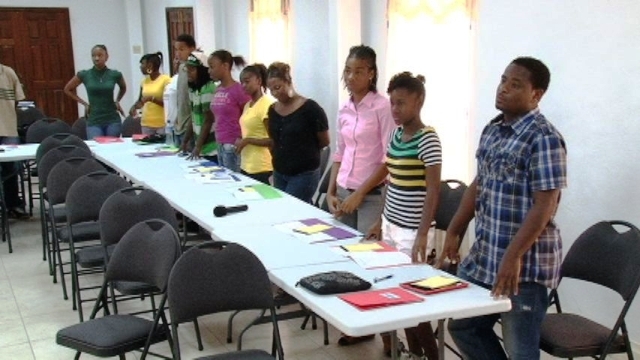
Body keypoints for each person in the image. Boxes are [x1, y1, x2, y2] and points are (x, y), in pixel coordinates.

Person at [440, 57, 567, 360]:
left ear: (536, 94)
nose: (504, 89)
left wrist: (512, 257)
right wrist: (455, 229)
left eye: (516, 84)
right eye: (503, 80)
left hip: (523, 266)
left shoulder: (544, 138)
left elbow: (546, 204)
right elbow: (479, 183)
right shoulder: (493, 129)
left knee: (520, 350)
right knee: (464, 327)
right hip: (487, 257)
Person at [326, 45, 395, 350]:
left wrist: (360, 193)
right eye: (348, 70)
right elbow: (340, 152)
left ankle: (382, 325)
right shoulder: (344, 108)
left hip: (371, 196)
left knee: (370, 261)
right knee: (346, 259)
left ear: (371, 73)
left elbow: (389, 160)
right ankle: (357, 322)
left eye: (358, 70)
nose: (351, 76)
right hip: (342, 191)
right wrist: (330, 190)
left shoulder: (382, 107)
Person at [370, 72, 442, 359]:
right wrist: (380, 221)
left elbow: (433, 191)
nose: (395, 110)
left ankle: (431, 356)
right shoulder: (397, 135)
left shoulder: (428, 139)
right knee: (399, 299)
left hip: (414, 231)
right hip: (392, 225)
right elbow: (392, 181)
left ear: (419, 100)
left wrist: (423, 234)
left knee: (415, 303)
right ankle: (413, 354)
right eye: (393, 103)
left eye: (401, 103)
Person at [266, 62, 329, 203]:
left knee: (290, 209)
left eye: (278, 87)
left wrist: (301, 151)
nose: (275, 93)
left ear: (288, 81)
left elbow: (324, 141)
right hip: (279, 171)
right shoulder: (272, 110)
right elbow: (275, 140)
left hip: (303, 172)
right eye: (271, 90)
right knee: (283, 210)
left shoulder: (310, 108)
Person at [64, 44, 126, 139]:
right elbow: (67, 89)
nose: (96, 58)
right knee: (97, 148)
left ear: (106, 57)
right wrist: (85, 104)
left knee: (112, 149)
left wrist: (117, 100)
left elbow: (123, 87)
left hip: (112, 119)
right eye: (93, 56)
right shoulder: (85, 74)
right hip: (94, 120)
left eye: (100, 55)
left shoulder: (115, 74)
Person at [208, 50, 251, 172]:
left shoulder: (239, 90)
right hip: (219, 143)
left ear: (225, 66)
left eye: (212, 67)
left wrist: (241, 137)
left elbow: (248, 115)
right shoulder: (218, 89)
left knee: (233, 180)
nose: (209, 71)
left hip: (232, 144)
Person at [236, 64, 274, 184]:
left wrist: (247, 141)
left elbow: (273, 140)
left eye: (247, 81)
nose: (244, 85)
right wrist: (241, 140)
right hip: (246, 164)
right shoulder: (248, 105)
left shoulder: (266, 104)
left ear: (258, 80)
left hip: (262, 167)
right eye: (241, 82)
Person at [0, 62, 28, 219]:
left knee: (11, 169)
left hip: (8, 128)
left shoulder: (8, 72)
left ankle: (13, 205)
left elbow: (18, 99)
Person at [182, 51, 217, 161]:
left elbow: (208, 120)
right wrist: (184, 141)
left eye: (192, 70)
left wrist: (197, 147)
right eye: (187, 69)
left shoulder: (208, 88)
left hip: (212, 148)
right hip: (201, 146)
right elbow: (192, 117)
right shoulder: (194, 90)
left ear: (202, 71)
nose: (188, 72)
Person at [129, 52, 171, 135]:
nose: (140, 67)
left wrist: (151, 99)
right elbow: (140, 101)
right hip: (146, 124)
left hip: (162, 124)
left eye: (143, 64)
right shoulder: (144, 82)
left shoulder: (166, 80)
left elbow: (169, 103)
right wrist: (134, 107)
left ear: (150, 65)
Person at [172, 34, 197, 148]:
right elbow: (180, 97)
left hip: (190, 125)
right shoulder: (181, 67)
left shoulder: (195, 71)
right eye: (176, 50)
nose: (178, 53)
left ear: (192, 49)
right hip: (179, 123)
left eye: (182, 49)